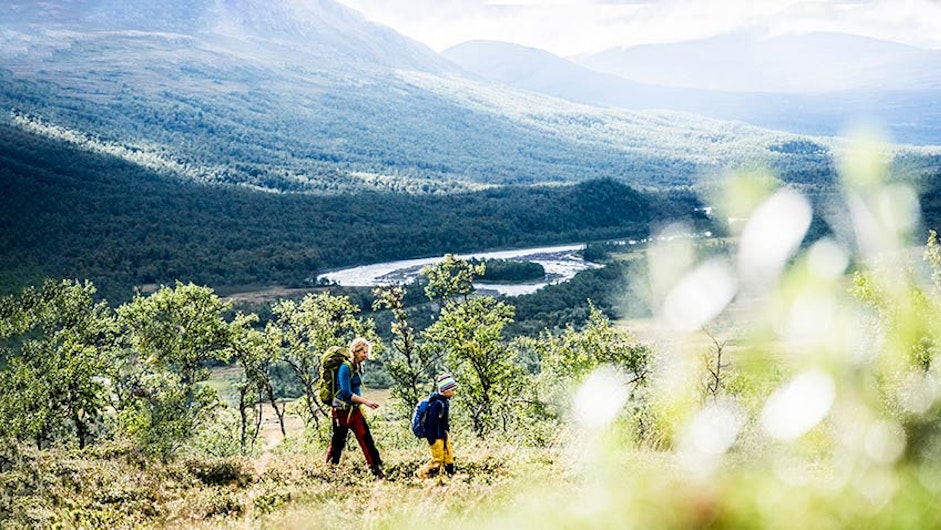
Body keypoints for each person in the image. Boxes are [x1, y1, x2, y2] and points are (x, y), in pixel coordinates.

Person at [324, 337, 386, 478]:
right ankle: (329, 472)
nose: (365, 355)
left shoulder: (358, 366)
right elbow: (346, 393)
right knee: (338, 443)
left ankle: (376, 470)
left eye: (366, 352)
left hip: (354, 411)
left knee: (366, 438)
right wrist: (367, 402)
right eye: (363, 352)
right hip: (342, 412)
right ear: (355, 351)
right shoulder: (345, 368)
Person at [417, 373, 458, 479]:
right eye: (452, 390)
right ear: (445, 390)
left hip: (443, 433)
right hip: (435, 436)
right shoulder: (437, 403)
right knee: (438, 459)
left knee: (448, 455)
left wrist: (446, 431)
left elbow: (443, 420)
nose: (454, 392)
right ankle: (421, 474)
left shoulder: (444, 401)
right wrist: (431, 437)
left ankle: (448, 475)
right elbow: (432, 421)